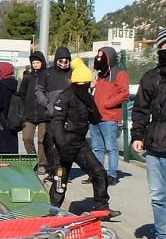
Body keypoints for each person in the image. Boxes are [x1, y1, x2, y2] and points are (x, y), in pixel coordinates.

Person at [49, 59, 119, 219]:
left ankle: (102, 207)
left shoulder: (87, 97)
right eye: (84, 83)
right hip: (64, 143)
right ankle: (52, 211)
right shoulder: (64, 97)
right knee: (60, 181)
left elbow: (95, 119)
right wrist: (62, 145)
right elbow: (57, 122)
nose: (86, 86)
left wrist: (91, 105)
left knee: (99, 172)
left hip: (80, 143)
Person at [131, 28, 166, 239]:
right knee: (158, 195)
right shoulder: (150, 77)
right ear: (159, 49)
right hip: (154, 144)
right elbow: (139, 110)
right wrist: (137, 136)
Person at [90, 47, 129, 186]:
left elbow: (124, 93)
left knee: (111, 148)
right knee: (97, 148)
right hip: (95, 117)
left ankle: (112, 175)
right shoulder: (101, 75)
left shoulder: (120, 74)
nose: (98, 58)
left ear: (109, 57)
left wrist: (108, 103)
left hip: (109, 117)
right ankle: (98, 174)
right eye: (98, 55)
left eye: (102, 55)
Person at [38, 46, 72, 178]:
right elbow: (39, 91)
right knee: (50, 142)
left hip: (67, 116)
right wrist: (47, 105)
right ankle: (52, 170)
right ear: (56, 60)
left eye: (66, 61)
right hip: (51, 115)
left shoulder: (72, 73)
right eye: (61, 60)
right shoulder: (47, 73)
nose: (64, 63)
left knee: (64, 144)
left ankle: (62, 170)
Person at [18, 51, 49, 173]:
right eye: (33, 63)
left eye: (37, 62)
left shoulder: (47, 76)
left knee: (42, 140)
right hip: (29, 114)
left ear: (42, 62)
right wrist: (22, 109)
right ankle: (33, 160)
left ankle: (42, 163)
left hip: (44, 114)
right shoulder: (27, 77)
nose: (35, 65)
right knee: (26, 138)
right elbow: (21, 94)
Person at [0, 62, 19, 154]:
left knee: (1, 153)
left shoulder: (2, 86)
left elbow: (0, 105)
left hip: (1, 123)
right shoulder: (13, 85)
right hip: (12, 122)